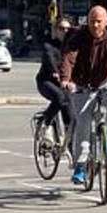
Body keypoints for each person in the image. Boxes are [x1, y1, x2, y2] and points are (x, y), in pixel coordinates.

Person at [58, 5, 107, 191]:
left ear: (106, 22)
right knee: (83, 124)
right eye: (92, 21)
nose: (95, 25)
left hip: (104, 81)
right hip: (81, 84)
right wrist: (66, 80)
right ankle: (81, 166)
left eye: (99, 21)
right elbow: (68, 58)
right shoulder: (79, 36)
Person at [34, 17, 75, 147]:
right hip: (47, 82)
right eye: (61, 28)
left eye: (68, 29)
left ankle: (69, 145)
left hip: (65, 85)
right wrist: (57, 73)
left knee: (72, 116)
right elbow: (50, 61)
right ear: (56, 31)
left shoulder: (73, 47)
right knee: (59, 98)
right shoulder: (49, 46)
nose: (65, 31)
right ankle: (45, 122)